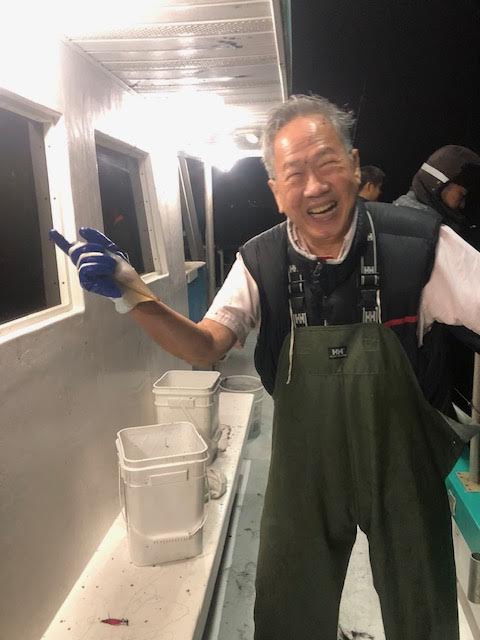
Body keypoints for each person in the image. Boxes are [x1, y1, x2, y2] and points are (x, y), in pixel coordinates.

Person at [51, 94, 480, 640]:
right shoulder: (261, 259)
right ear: (277, 192)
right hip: (305, 467)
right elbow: (206, 347)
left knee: (423, 611)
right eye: (293, 173)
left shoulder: (421, 244)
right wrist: (134, 294)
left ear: (353, 164)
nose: (315, 185)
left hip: (403, 466)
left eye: (327, 163)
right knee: (287, 610)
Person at [393, 144, 480, 237]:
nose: (462, 205)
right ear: (441, 184)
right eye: (461, 196)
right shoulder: (421, 230)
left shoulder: (398, 215)